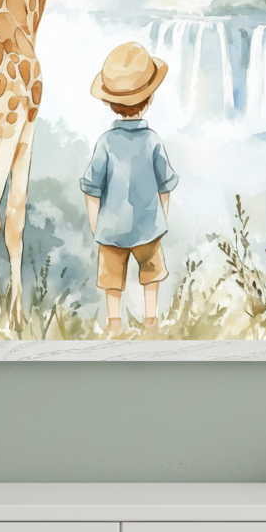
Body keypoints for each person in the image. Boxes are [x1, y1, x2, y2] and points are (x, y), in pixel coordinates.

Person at [80, 42, 179, 336]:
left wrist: (97, 224)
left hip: (111, 229)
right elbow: (166, 185)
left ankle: (114, 324)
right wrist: (161, 218)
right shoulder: (154, 141)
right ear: (148, 99)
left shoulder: (105, 143)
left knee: (111, 279)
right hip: (149, 226)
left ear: (110, 103)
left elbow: (91, 188)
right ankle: (151, 321)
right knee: (151, 274)